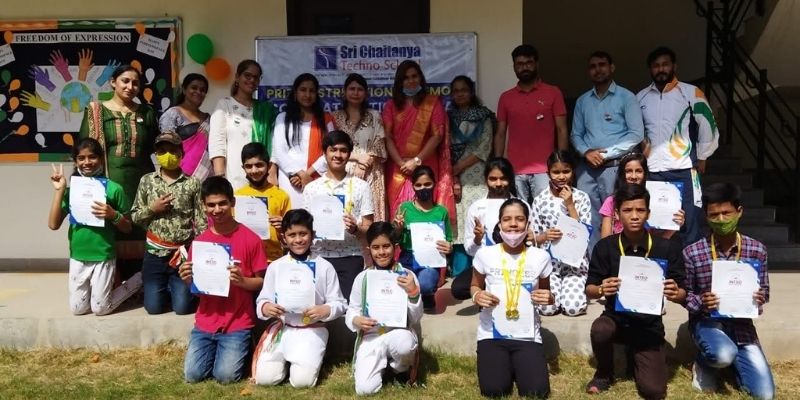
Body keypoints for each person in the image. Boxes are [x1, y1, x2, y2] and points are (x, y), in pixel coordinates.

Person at [584, 183, 686, 399]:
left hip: (649, 326)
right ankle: (604, 373)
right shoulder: (605, 247)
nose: (634, 216)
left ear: (648, 213)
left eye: (640, 210)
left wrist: (675, 292)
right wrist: (602, 288)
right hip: (616, 319)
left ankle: (636, 356)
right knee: (600, 329)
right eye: (627, 210)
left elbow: (682, 292)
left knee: (654, 392)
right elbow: (590, 289)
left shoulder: (666, 247)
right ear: (617, 214)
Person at [682, 183, 774, 399]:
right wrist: (702, 301)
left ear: (739, 212)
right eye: (714, 215)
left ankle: (735, 364)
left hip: (742, 327)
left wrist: (759, 298)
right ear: (706, 216)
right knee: (722, 354)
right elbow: (686, 296)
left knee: (765, 394)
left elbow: (765, 292)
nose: (721, 220)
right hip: (707, 322)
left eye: (727, 213)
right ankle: (705, 363)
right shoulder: (693, 252)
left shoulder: (757, 250)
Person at [179, 176, 268, 384]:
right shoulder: (200, 243)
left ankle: (243, 348)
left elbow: (261, 282)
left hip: (237, 322)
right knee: (193, 376)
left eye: (222, 203)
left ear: (232, 202)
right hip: (206, 322)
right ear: (203, 206)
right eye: (211, 205)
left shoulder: (251, 239)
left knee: (226, 377)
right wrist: (187, 279)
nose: (217, 210)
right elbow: (196, 289)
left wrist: (242, 282)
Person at [79, 64, 158, 280]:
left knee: (140, 228)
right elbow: (86, 150)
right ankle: (109, 284)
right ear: (113, 82)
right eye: (125, 81)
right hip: (108, 184)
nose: (130, 87)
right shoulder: (97, 111)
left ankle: (140, 286)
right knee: (111, 228)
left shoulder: (146, 113)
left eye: (135, 83)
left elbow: (154, 146)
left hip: (141, 186)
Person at [253, 209, 347, 388]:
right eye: (292, 235)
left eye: (303, 234)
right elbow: (263, 299)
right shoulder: (276, 267)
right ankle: (286, 362)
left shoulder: (325, 267)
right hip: (283, 329)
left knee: (302, 382)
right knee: (265, 379)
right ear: (284, 238)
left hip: (311, 330)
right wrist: (266, 307)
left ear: (313, 234)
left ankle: (309, 360)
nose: (298, 240)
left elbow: (340, 303)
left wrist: (325, 309)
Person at [469, 198, 553, 398]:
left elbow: (546, 293)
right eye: (507, 219)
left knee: (536, 392)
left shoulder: (540, 257)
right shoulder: (485, 254)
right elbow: (474, 286)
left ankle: (520, 365)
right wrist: (477, 295)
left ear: (528, 224)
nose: (513, 224)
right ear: (499, 224)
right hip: (492, 334)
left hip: (527, 334)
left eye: (520, 219)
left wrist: (549, 298)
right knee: (493, 390)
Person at [637, 46, 719, 246]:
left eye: (665, 64)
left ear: (674, 66)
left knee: (689, 223)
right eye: (656, 66)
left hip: (684, 169)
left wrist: (702, 156)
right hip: (653, 171)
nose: (661, 69)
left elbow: (707, 124)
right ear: (650, 69)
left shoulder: (690, 92)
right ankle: (659, 263)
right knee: (656, 225)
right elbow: (635, 130)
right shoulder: (641, 97)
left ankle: (689, 265)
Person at [47, 138, 132, 315]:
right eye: (81, 158)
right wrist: (59, 190)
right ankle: (99, 293)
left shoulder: (114, 189)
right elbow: (53, 224)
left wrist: (113, 215)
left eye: (92, 157)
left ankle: (138, 281)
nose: (87, 162)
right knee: (78, 309)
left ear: (101, 158)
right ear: (75, 161)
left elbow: (127, 228)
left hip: (103, 255)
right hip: (78, 255)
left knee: (100, 309)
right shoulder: (71, 190)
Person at [571, 51, 644, 248]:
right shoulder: (583, 101)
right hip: (587, 169)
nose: (598, 69)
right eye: (593, 66)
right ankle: (595, 260)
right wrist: (587, 152)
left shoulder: (626, 97)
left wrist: (605, 154)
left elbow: (636, 134)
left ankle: (617, 259)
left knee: (616, 216)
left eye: (602, 65)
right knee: (588, 217)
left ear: (612, 68)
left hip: (615, 167)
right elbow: (576, 134)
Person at [131, 131, 207, 315]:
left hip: (181, 254)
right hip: (154, 253)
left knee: (182, 308)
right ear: (156, 154)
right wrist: (152, 208)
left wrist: (201, 252)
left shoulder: (192, 183)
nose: (168, 155)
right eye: (162, 151)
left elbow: (201, 220)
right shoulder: (147, 181)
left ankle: (176, 289)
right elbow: (135, 216)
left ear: (182, 153)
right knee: (154, 308)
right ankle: (162, 289)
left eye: (173, 151)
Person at [347, 222, 423, 395]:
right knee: (365, 390)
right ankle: (382, 367)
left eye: (386, 246)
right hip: (372, 336)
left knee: (404, 344)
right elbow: (353, 309)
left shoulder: (407, 276)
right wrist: (356, 320)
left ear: (395, 247)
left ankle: (399, 369)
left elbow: (416, 317)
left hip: (398, 332)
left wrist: (413, 292)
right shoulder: (363, 278)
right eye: (376, 247)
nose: (381, 252)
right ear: (369, 249)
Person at [382, 60, 456, 231]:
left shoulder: (433, 103)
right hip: (398, 169)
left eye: (414, 76)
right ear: (400, 82)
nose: (411, 81)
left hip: (425, 165)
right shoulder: (391, 106)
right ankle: (401, 247)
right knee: (399, 214)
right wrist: (401, 163)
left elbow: (437, 136)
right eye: (406, 78)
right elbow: (387, 137)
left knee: (427, 208)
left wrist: (416, 160)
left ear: (421, 78)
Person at [302, 130, 374, 300]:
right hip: (318, 255)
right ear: (325, 153)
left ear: (349, 154)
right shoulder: (312, 188)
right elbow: (304, 226)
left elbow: (369, 229)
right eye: (333, 150)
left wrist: (356, 229)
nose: (338, 155)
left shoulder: (361, 186)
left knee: (348, 307)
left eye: (343, 150)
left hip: (350, 255)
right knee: (317, 306)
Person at [494, 44, 568, 204]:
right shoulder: (506, 97)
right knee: (518, 212)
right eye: (519, 64)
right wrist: (498, 165)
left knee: (546, 212)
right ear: (514, 66)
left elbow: (562, 129)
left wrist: (562, 163)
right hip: (515, 169)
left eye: (529, 63)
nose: (524, 67)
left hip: (546, 169)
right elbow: (500, 133)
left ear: (536, 64)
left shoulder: (553, 92)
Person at [531, 151, 592, 316]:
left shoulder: (582, 198)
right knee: (547, 308)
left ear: (573, 172)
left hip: (575, 265)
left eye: (566, 171)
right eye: (556, 172)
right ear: (548, 173)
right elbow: (533, 238)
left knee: (573, 308)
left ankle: (574, 288)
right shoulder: (540, 200)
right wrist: (545, 236)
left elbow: (585, 234)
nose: (561, 176)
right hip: (550, 265)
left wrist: (570, 205)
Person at [448, 75, 496, 285]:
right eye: (456, 91)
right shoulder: (448, 118)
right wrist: (453, 174)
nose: (460, 94)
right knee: (458, 221)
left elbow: (484, 147)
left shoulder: (484, 116)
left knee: (477, 218)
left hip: (477, 174)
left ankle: (483, 272)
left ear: (472, 92)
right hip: (453, 176)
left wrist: (459, 166)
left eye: (464, 90)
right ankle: (461, 272)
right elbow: (445, 147)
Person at [453, 157, 518, 300]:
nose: (498, 184)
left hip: (514, 263)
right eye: (493, 179)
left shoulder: (520, 206)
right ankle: (484, 293)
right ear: (485, 180)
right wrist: (477, 239)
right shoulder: (476, 208)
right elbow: (469, 250)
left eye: (503, 178)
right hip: (486, 264)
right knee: (459, 288)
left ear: (510, 179)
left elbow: (530, 243)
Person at [209, 59, 278, 190]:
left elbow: (274, 142)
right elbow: (217, 142)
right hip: (234, 175)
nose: (252, 80)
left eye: (256, 77)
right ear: (237, 77)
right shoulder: (225, 105)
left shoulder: (265, 110)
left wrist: (272, 171)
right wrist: (220, 177)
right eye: (247, 75)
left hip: (262, 175)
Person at [392, 165, 453, 311]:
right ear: (413, 186)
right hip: (407, 257)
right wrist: (398, 228)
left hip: (430, 261)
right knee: (397, 285)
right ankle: (412, 297)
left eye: (427, 184)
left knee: (425, 284)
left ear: (434, 184)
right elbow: (394, 239)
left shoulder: (441, 212)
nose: (423, 188)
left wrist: (449, 247)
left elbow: (449, 240)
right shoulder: (404, 209)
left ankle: (427, 294)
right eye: (418, 185)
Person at [271, 73, 334, 208]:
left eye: (312, 91)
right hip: (290, 179)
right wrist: (299, 174)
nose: (307, 95)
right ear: (295, 93)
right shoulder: (282, 118)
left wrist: (307, 174)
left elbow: (331, 151)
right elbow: (279, 151)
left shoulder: (325, 119)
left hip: (317, 178)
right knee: (291, 217)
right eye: (303, 90)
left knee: (316, 216)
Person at [332, 73, 387, 221]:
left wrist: (363, 165)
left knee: (372, 216)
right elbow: (331, 146)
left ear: (366, 93)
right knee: (347, 215)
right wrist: (357, 158)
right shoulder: (335, 117)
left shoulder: (374, 115)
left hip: (371, 171)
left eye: (360, 89)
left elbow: (379, 143)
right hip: (344, 169)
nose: (355, 93)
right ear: (344, 91)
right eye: (352, 89)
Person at [599, 153, 685, 239]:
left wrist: (673, 226)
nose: (633, 176)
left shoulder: (654, 200)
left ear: (645, 174)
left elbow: (659, 242)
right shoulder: (611, 201)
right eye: (628, 171)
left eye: (638, 171)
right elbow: (605, 241)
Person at [234, 142, 292, 263]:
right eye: (249, 166)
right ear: (243, 168)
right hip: (244, 259)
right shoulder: (237, 197)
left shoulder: (281, 196)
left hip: (272, 259)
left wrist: (283, 227)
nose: (254, 170)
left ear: (269, 166)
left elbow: (290, 237)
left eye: (259, 165)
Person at [159, 73, 212, 180]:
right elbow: (166, 147)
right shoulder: (173, 114)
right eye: (194, 88)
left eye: (202, 90)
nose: (198, 92)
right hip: (178, 175)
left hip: (206, 175)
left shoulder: (208, 119)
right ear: (184, 90)